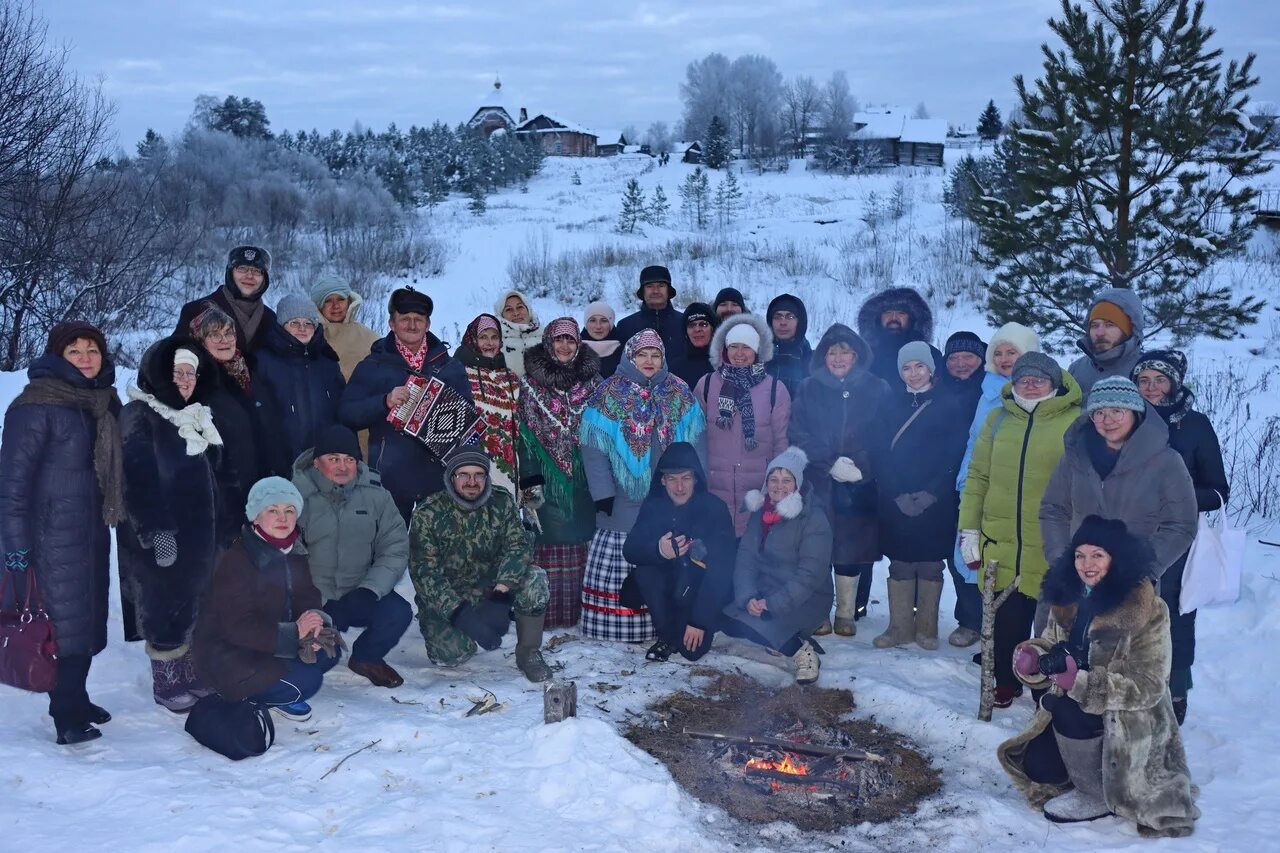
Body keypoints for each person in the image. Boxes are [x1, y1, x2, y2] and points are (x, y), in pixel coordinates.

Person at [997, 516, 1198, 837]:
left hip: (1129, 719)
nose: (1086, 564)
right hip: (1075, 713)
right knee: (1038, 767)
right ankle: (1089, 771)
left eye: (1097, 555)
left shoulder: (1148, 608)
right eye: (1080, 555)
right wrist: (1034, 656)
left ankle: (1095, 794)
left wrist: (1080, 683)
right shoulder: (1068, 596)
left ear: (1116, 558)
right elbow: (1050, 642)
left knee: (1068, 710)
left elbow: (1149, 685)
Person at [1, 322, 123, 745]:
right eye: (75, 351)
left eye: (93, 350)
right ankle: (65, 715)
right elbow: (11, 487)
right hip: (48, 535)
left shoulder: (102, 402)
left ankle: (77, 696)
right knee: (63, 626)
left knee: (85, 620)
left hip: (89, 530)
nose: (87, 358)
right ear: (57, 357)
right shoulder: (34, 406)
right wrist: (15, 550)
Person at [118, 336, 236, 712]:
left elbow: (220, 477)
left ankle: (190, 671)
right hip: (162, 536)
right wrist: (156, 530)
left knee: (195, 602)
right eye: (177, 372)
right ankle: (166, 680)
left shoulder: (198, 417)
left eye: (191, 373)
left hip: (202, 534)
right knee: (163, 605)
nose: (185, 380)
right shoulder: (140, 413)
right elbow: (135, 478)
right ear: (159, 374)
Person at [957, 353, 1083, 707]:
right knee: (1004, 621)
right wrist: (969, 529)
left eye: (1038, 378)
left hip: (1052, 541)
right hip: (1002, 543)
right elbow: (977, 476)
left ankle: (1046, 687)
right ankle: (1006, 681)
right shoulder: (998, 419)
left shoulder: (1075, 421)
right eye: (1023, 377)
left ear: (1054, 382)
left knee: (1051, 625)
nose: (1030, 383)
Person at [579, 329, 706, 642]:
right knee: (622, 557)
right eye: (642, 354)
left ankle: (662, 625)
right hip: (622, 499)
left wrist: (695, 485)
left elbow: (697, 441)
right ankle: (616, 627)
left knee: (663, 557)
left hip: (668, 497)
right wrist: (603, 493)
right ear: (630, 357)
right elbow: (592, 447)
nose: (649, 361)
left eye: (655, 355)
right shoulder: (609, 392)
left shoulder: (678, 390)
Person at [192, 477, 341, 723]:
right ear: (255, 517)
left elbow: (307, 596)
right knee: (308, 681)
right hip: (231, 654)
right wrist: (294, 634)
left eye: (289, 510)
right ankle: (251, 695)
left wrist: (315, 625)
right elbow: (236, 628)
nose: (283, 518)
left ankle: (279, 684)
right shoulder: (236, 560)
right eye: (273, 510)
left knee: (328, 650)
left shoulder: (294, 551)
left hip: (271, 642)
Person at [1133, 349, 1228, 725]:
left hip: (1177, 535)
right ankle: (1133, 684)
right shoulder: (1124, 419)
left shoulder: (1195, 425)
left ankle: (1175, 688)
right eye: (1144, 380)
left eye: (1160, 379)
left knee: (1175, 610)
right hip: (1129, 533)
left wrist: (1176, 498)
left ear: (1174, 383)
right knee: (1128, 608)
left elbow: (1218, 490)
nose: (1152, 388)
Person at [1040, 376, 1198, 598]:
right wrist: (1063, 563)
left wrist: (1141, 569)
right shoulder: (1075, 457)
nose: (1108, 420)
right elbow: (1053, 509)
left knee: (1125, 633)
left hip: (1132, 586)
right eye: (1099, 413)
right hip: (1075, 583)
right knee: (1064, 632)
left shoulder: (1166, 462)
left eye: (1117, 411)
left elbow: (1182, 524)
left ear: (1135, 412)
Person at [408, 450, 552, 682]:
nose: (472, 482)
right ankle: (459, 631)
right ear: (451, 477)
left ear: (487, 477)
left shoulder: (502, 500)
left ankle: (529, 652)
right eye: (463, 475)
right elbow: (424, 572)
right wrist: (460, 614)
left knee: (535, 578)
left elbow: (518, 547)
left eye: (479, 475)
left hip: (492, 585)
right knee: (451, 656)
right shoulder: (428, 512)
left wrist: (501, 593)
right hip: (451, 593)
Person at [339, 287, 473, 523]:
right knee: (390, 548)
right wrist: (384, 401)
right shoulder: (373, 365)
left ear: (428, 324)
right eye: (404, 319)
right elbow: (347, 413)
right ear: (391, 323)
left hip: (437, 476)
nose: (412, 325)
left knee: (435, 550)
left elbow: (467, 417)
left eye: (418, 319)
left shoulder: (448, 366)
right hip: (389, 476)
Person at [293, 425, 412, 689]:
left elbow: (394, 546)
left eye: (349, 459)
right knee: (318, 662)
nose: (343, 467)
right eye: (333, 459)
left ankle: (366, 658)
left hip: (359, 590)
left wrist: (370, 590)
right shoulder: (295, 497)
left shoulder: (376, 495)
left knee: (397, 612)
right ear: (316, 462)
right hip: (313, 598)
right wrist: (316, 601)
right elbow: (287, 557)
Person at [789, 324, 889, 634]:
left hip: (859, 484)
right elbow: (797, 432)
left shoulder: (877, 388)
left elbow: (885, 435)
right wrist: (829, 462)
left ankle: (845, 612)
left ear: (856, 355)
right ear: (823, 356)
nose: (838, 357)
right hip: (818, 480)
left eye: (845, 351)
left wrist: (863, 466)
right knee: (818, 547)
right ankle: (819, 611)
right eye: (832, 352)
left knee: (852, 547)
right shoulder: (808, 387)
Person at [872, 341, 968, 650]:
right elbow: (879, 453)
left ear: (931, 368)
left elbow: (954, 455)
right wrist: (896, 492)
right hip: (896, 498)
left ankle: (927, 629)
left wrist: (931, 492)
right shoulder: (888, 404)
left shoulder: (949, 404)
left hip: (934, 500)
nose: (913, 374)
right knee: (899, 562)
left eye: (919, 367)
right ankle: (898, 627)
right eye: (907, 368)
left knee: (930, 563)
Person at [951, 322, 1040, 647]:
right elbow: (975, 443)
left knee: (1017, 570)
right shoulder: (988, 391)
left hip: (1021, 495)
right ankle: (992, 644)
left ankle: (1015, 646)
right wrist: (966, 484)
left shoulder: (1039, 392)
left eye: (1012, 351)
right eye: (998, 352)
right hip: (984, 490)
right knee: (985, 566)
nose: (1004, 359)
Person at [722, 447, 832, 685]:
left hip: (808, 597)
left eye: (786, 480)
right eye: (773, 479)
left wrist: (772, 604)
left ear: (797, 484)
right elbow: (746, 558)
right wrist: (748, 595)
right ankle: (780, 637)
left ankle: (803, 654)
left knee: (762, 622)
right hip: (768, 587)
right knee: (728, 619)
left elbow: (810, 575)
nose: (778, 486)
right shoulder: (761, 511)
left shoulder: (813, 518)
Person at [518, 319, 602, 628]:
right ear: (548, 343)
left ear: (578, 344)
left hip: (585, 480)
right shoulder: (529, 386)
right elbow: (524, 439)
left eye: (570, 340)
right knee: (551, 538)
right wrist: (531, 483)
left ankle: (583, 614)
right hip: (547, 480)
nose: (565, 346)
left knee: (582, 540)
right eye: (559, 340)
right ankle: (549, 614)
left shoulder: (594, 383)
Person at [623, 443, 736, 662]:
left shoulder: (715, 509)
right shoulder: (654, 505)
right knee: (646, 571)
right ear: (662, 480)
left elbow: (722, 571)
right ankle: (667, 635)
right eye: (672, 479)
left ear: (696, 479)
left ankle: (696, 624)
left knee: (691, 652)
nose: (680, 487)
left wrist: (699, 622)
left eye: (685, 478)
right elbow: (631, 549)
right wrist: (659, 551)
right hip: (667, 591)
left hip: (700, 592)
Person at [693, 313, 791, 537]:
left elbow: (781, 443)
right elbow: (696, 437)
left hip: (757, 495)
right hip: (714, 493)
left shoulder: (776, 389)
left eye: (746, 347)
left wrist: (777, 488)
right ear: (724, 349)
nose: (739, 354)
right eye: (733, 346)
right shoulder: (706, 385)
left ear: (757, 351)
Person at [189, 304, 290, 499]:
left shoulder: (252, 372)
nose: (224, 340)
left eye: (229, 333)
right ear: (200, 340)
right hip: (227, 494)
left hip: (267, 488)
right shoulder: (198, 383)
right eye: (214, 335)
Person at [253, 294, 345, 464]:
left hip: (323, 460)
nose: (302, 328)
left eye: (308, 323)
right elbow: (257, 417)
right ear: (282, 326)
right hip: (280, 459)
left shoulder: (327, 361)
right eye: (294, 322)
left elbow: (341, 412)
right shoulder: (263, 361)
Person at [456, 313, 521, 497]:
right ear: (472, 340)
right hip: (471, 469)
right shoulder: (460, 374)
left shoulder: (512, 378)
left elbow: (523, 430)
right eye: (483, 337)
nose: (489, 343)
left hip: (509, 471)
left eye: (494, 337)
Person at [175, 246, 276, 353]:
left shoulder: (270, 319)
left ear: (264, 278)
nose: (249, 275)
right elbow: (171, 357)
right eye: (242, 268)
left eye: (257, 271)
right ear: (230, 272)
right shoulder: (196, 310)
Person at [856, 286, 940, 388]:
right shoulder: (863, 356)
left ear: (911, 319)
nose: (894, 318)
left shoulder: (930, 355)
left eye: (901, 313)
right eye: (888, 313)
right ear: (878, 318)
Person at [1067, 288, 1144, 396]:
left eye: (1109, 325)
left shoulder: (1146, 371)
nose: (1099, 333)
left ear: (1128, 330)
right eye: (1094, 325)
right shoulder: (1077, 369)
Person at [309, 274, 380, 380]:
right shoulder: (308, 336)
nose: (336, 306)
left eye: (341, 299)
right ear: (318, 305)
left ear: (349, 302)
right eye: (328, 301)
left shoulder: (367, 337)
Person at [613, 265, 686, 358]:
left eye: (661, 286)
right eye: (649, 286)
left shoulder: (685, 323)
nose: (655, 291)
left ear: (668, 290)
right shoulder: (625, 326)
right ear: (643, 291)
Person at [764, 293, 812, 398]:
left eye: (790, 316)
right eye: (777, 317)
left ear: (800, 322)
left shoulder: (811, 360)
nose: (783, 322)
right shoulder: (759, 355)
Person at [494, 289, 542, 378]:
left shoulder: (546, 337)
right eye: (508, 309)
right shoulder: (495, 342)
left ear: (528, 310)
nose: (516, 313)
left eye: (520, 307)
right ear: (501, 315)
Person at [670, 302, 717, 389]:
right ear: (686, 332)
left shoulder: (724, 364)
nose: (697, 329)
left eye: (703, 324)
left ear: (712, 329)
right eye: (692, 325)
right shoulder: (675, 369)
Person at [939, 331, 987, 417]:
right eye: (953, 358)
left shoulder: (996, 391)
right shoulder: (933, 390)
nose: (961, 364)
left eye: (968, 357)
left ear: (981, 358)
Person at [581, 300, 622, 378]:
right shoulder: (573, 350)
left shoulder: (624, 351)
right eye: (592, 320)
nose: (598, 326)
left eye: (604, 321)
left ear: (611, 324)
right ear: (586, 323)